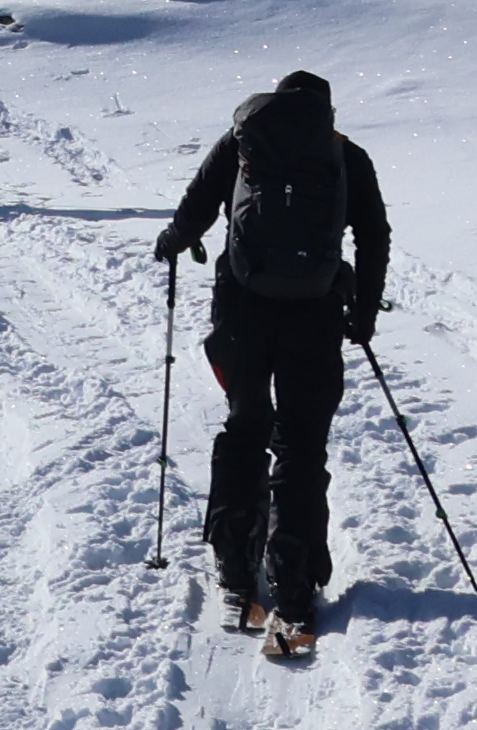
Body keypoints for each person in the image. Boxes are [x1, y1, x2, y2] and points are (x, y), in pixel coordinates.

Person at [155, 71, 396, 653]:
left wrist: (171, 241)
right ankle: (293, 582)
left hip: (243, 308)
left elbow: (198, 206)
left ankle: (236, 567)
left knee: (244, 429)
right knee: (302, 444)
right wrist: (362, 314)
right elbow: (374, 233)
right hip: (314, 312)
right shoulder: (345, 154)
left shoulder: (242, 141)